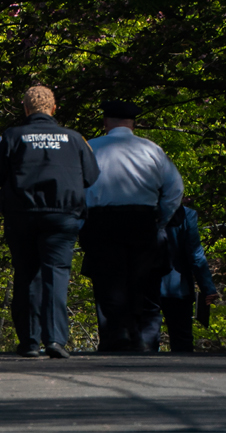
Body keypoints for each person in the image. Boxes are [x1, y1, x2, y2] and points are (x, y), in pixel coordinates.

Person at [0, 86, 100, 358]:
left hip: (22, 215)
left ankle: (30, 340)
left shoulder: (12, 137)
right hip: (62, 216)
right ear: (53, 108)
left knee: (26, 274)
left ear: (25, 109)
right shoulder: (74, 139)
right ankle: (56, 339)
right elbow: (92, 176)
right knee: (56, 274)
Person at [80, 100, 184, 352]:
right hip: (142, 221)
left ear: (105, 122)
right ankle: (146, 341)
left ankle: (116, 338)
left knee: (108, 285)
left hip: (102, 222)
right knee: (145, 284)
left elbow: (77, 188)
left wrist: (84, 220)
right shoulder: (152, 150)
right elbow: (174, 189)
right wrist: (160, 219)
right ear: (133, 123)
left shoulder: (91, 148)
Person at [140, 206, 219, 351]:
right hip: (178, 284)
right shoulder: (186, 214)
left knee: (147, 336)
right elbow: (195, 254)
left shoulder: (141, 210)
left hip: (145, 282)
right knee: (182, 338)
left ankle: (146, 369)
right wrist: (208, 288)